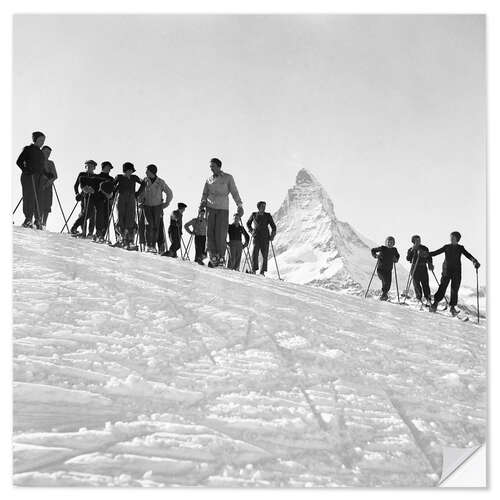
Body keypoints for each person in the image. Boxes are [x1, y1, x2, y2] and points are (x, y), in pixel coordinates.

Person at [199, 158, 244, 268]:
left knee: (220, 233)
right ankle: (213, 256)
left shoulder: (228, 178)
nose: (211, 168)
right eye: (210, 167)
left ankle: (221, 257)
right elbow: (204, 194)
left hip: (222, 208)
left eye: (213, 166)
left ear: (219, 166)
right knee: (210, 232)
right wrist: (202, 205)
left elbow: (234, 191)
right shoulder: (209, 180)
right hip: (210, 208)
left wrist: (239, 205)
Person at [426, 232, 480, 315]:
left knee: (455, 289)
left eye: (453, 238)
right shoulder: (446, 247)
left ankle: (452, 308)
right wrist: (427, 254)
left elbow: (468, 255)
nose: (451, 239)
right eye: (450, 237)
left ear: (457, 239)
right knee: (442, 287)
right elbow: (436, 253)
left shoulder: (460, 248)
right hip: (446, 270)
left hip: (456, 271)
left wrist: (474, 261)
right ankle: (435, 304)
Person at [136, 164, 173, 253]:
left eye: (147, 171)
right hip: (146, 206)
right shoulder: (145, 181)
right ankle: (148, 245)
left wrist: (166, 203)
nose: (145, 172)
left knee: (156, 227)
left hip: (157, 207)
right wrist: (140, 202)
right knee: (148, 225)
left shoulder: (160, 182)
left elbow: (169, 193)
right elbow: (140, 193)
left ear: (152, 171)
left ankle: (153, 245)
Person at [16, 131, 46, 229]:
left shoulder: (41, 153)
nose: (42, 142)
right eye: (40, 140)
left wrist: (47, 174)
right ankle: (28, 219)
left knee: (37, 198)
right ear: (35, 139)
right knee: (29, 196)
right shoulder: (28, 149)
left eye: (43, 141)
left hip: (38, 177)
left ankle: (37, 219)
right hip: (28, 176)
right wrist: (26, 170)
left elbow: (40, 167)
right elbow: (19, 161)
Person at [113, 162, 142, 250]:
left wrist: (137, 193)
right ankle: (121, 238)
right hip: (121, 197)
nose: (130, 172)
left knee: (131, 217)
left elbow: (143, 183)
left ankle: (130, 240)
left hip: (131, 198)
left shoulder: (134, 177)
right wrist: (113, 193)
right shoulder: (120, 177)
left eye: (131, 170)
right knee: (121, 216)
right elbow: (113, 185)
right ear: (125, 170)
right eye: (129, 170)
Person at [246, 201, 277, 276]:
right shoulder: (254, 214)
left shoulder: (268, 215)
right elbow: (248, 223)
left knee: (265, 255)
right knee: (254, 254)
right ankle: (253, 270)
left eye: (264, 206)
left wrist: (272, 236)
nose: (264, 207)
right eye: (262, 206)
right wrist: (251, 231)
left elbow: (274, 227)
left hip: (265, 237)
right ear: (259, 207)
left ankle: (262, 272)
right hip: (256, 236)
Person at [70, 160, 99, 237]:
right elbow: (76, 185)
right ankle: (83, 231)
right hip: (84, 196)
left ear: (94, 167)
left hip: (93, 196)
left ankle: (90, 233)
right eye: (88, 166)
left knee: (92, 214)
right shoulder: (82, 174)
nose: (89, 167)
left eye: (91, 166)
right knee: (85, 213)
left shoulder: (96, 176)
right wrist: (77, 194)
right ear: (85, 166)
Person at [406, 235, 434, 305]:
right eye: (416, 240)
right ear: (413, 241)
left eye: (419, 240)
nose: (418, 241)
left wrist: (430, 264)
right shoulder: (411, 249)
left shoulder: (425, 248)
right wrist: (413, 250)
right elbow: (408, 258)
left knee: (425, 284)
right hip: (414, 268)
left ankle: (428, 299)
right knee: (416, 283)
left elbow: (429, 257)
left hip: (423, 267)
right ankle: (419, 298)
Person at [371, 236, 400, 301]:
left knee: (388, 283)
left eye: (391, 242)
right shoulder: (382, 248)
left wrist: (396, 259)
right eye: (388, 242)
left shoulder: (394, 250)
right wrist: (376, 255)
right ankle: (383, 295)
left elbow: (398, 256)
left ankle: (384, 295)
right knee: (385, 281)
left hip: (389, 270)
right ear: (386, 243)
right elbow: (373, 250)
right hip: (380, 269)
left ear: (393, 243)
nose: (390, 243)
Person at [94, 161, 115, 243]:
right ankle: (98, 234)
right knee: (100, 215)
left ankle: (102, 235)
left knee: (107, 217)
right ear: (104, 167)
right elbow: (95, 188)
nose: (109, 169)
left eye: (110, 168)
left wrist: (111, 197)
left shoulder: (111, 179)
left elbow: (114, 190)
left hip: (108, 200)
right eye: (108, 167)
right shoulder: (97, 177)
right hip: (99, 199)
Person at [39, 145, 58, 228]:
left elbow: (55, 176)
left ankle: (44, 223)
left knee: (47, 204)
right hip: (38, 184)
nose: (47, 154)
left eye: (49, 153)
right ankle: (37, 221)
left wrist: (48, 183)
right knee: (38, 202)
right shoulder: (38, 161)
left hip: (48, 185)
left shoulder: (51, 163)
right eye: (46, 152)